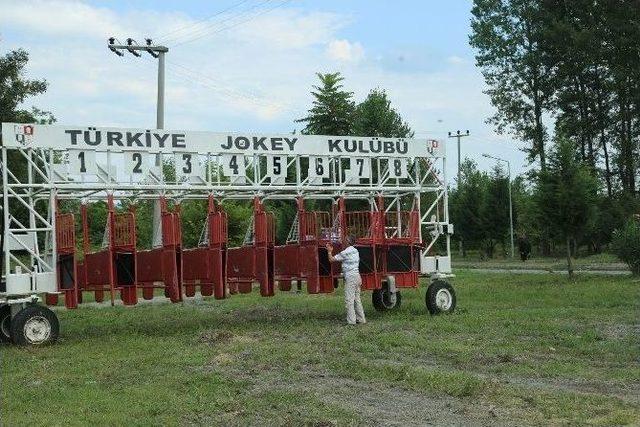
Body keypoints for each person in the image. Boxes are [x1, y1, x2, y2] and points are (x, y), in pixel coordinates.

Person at [326, 235, 366, 325]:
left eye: (344, 240)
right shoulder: (356, 251)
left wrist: (329, 251)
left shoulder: (345, 252)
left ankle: (351, 322)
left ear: (348, 242)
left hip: (351, 277)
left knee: (349, 300)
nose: (343, 241)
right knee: (357, 299)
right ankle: (361, 319)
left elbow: (331, 260)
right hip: (357, 276)